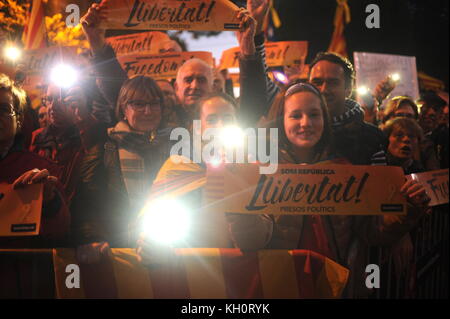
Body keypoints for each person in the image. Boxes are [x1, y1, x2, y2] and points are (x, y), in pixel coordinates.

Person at [228, 82, 430, 298]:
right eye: (295, 115)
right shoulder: (262, 172)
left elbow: (371, 230)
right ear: (282, 121)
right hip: (283, 286)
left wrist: (407, 210)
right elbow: (253, 240)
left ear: (324, 120)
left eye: (314, 115)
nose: (306, 123)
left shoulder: (345, 169)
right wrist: (242, 215)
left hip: (336, 286)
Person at [239, 0, 387, 165]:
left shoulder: (371, 140)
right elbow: (259, 85)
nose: (324, 89)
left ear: (348, 89)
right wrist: (255, 35)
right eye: (317, 82)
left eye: (333, 82)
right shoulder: (276, 136)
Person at [74, 76, 174, 263]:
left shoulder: (177, 147)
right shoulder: (104, 149)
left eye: (154, 103)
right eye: (138, 104)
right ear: (123, 108)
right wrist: (94, 239)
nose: (147, 111)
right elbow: (87, 203)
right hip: (118, 255)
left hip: (168, 252)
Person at [0, 73, 69, 248]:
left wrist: (48, 202)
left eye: (3, 109)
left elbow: (61, 233)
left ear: (19, 120)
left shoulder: (43, 171)